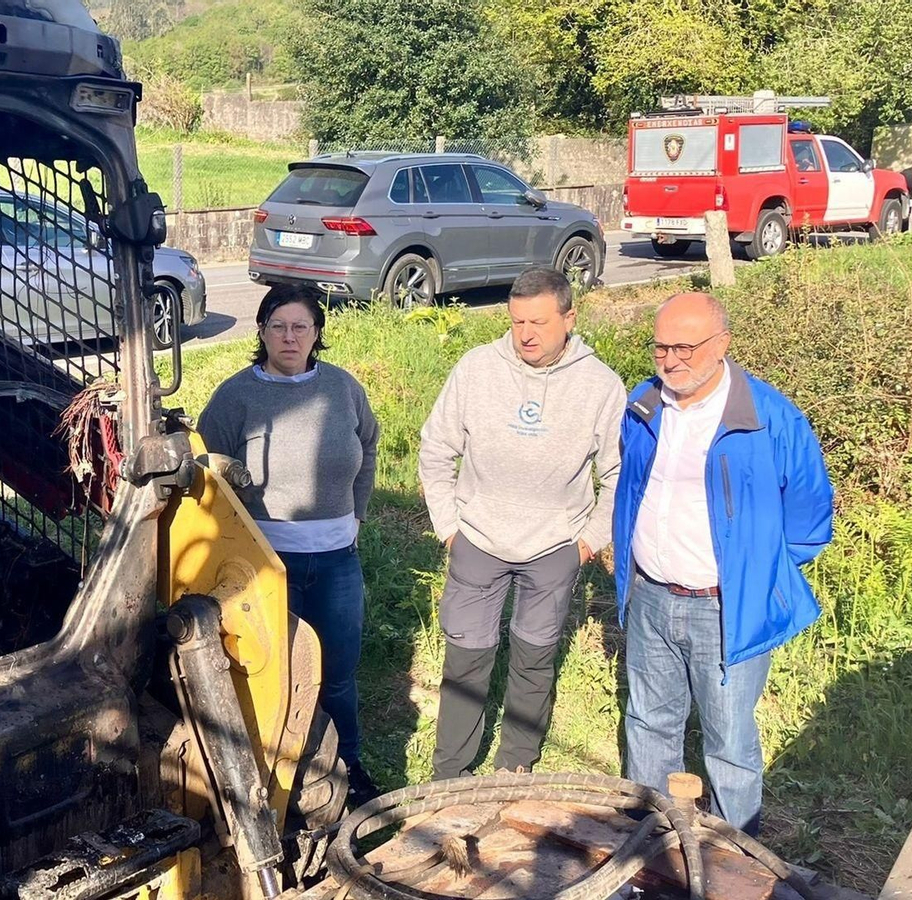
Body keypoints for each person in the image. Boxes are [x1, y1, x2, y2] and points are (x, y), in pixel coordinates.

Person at [613, 292, 833, 836]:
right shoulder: (644, 405)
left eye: (685, 347)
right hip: (651, 596)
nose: (671, 361)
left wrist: (754, 575)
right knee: (648, 724)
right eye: (661, 347)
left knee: (729, 741)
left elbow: (809, 521)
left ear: (722, 345)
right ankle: (655, 846)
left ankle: (736, 860)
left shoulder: (768, 419)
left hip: (724, 608)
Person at [419, 267, 626, 780]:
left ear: (569, 318)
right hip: (477, 541)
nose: (526, 334)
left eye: (537, 322)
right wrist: (450, 526)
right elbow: (436, 448)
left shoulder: (600, 385)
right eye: (516, 322)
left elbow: (620, 474)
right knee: (466, 659)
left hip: (555, 548)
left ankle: (515, 769)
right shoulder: (476, 369)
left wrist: (586, 542)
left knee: (534, 660)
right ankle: (450, 774)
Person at [197, 285, 382, 805]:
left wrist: (359, 511)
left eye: (301, 327)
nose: (289, 336)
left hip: (337, 560)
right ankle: (280, 777)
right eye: (278, 326)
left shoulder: (342, 388)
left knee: (338, 673)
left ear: (317, 334)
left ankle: (350, 768)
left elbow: (368, 442)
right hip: (266, 568)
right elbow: (209, 472)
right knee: (276, 671)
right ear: (261, 332)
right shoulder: (236, 397)